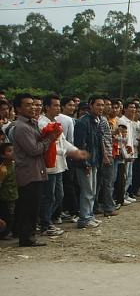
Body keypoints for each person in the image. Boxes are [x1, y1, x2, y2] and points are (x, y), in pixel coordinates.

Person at [12, 93, 58, 246]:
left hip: (36, 171)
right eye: (27, 105)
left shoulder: (32, 124)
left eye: (33, 104)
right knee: (28, 207)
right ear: (18, 108)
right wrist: (49, 139)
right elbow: (34, 149)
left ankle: (28, 236)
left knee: (33, 206)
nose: (32, 107)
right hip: (28, 172)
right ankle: (26, 238)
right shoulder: (22, 127)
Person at [38, 94, 87, 236]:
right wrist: (68, 152)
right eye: (55, 105)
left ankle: (46, 220)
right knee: (49, 196)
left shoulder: (56, 122)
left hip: (59, 165)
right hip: (49, 165)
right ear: (47, 107)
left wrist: (75, 151)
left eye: (59, 105)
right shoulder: (42, 124)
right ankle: (45, 224)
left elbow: (63, 141)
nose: (58, 108)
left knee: (58, 196)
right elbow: (50, 146)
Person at [74, 96, 105, 229]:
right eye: (98, 105)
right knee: (87, 191)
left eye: (102, 105)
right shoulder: (83, 122)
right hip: (85, 163)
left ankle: (90, 215)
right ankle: (84, 218)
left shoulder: (97, 120)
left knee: (92, 191)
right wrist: (84, 163)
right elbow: (80, 144)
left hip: (94, 161)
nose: (101, 108)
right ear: (90, 105)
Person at [95, 97, 118, 217]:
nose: (108, 107)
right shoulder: (102, 120)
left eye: (108, 104)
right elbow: (101, 139)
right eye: (105, 105)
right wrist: (105, 155)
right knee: (108, 182)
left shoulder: (102, 119)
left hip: (106, 153)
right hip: (106, 154)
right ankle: (108, 207)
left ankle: (96, 206)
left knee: (99, 182)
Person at [118, 101, 138, 203]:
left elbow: (130, 138)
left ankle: (125, 194)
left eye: (134, 107)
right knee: (124, 175)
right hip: (124, 153)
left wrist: (132, 152)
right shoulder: (122, 121)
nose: (133, 109)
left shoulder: (130, 122)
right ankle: (121, 196)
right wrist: (125, 153)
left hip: (131, 151)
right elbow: (122, 139)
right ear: (125, 109)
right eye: (131, 107)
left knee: (129, 175)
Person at [0, 143, 17, 239]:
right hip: (6, 196)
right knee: (8, 215)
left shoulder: (14, 165)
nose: (13, 153)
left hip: (14, 194)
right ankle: (5, 233)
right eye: (9, 151)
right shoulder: (3, 169)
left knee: (13, 214)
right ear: (3, 155)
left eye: (13, 150)